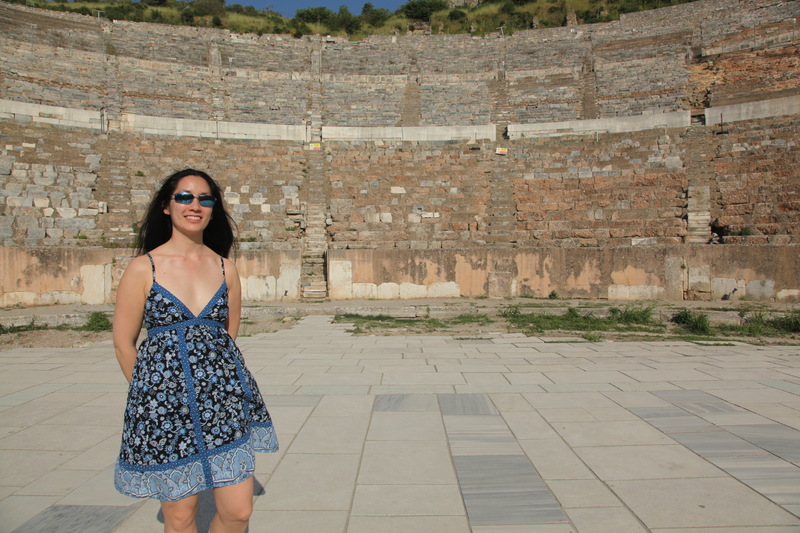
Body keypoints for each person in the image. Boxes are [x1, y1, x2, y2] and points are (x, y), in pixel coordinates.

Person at [112, 169, 278, 533]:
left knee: (238, 512)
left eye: (205, 199)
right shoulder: (143, 268)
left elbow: (227, 339)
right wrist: (151, 398)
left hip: (223, 405)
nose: (195, 205)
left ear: (213, 209)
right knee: (181, 517)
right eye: (184, 197)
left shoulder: (225, 268)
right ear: (166, 206)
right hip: (166, 410)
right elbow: (124, 342)